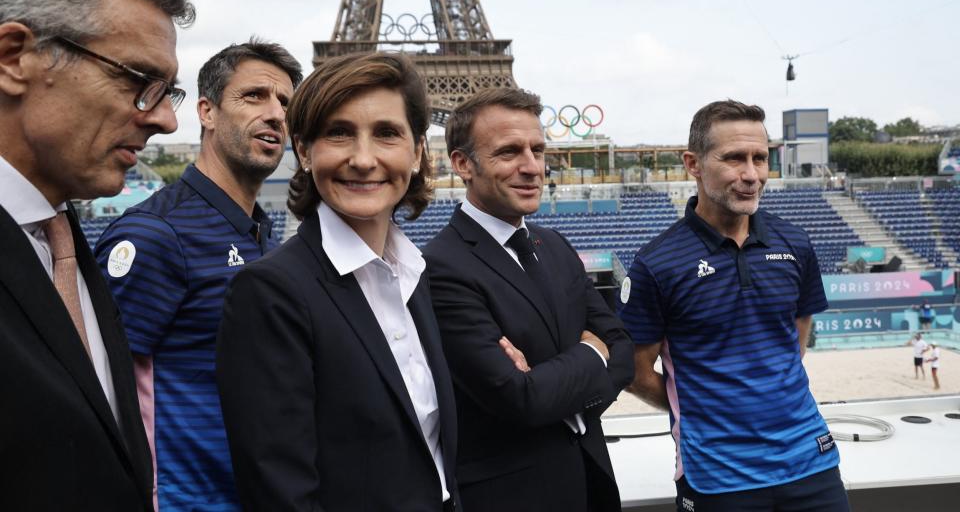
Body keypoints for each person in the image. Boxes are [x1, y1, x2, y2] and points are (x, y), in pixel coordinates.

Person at [0, 0, 193, 509]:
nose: (165, 119)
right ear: (15, 57)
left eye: (168, 92)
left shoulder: (65, 240)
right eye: (139, 79)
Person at [217, 52, 460, 511]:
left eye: (387, 133)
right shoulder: (270, 294)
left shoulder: (414, 276)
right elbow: (280, 494)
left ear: (418, 152)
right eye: (339, 133)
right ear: (305, 152)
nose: (363, 159)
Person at [94, 40, 302, 509]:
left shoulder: (258, 231)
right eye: (254, 96)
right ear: (206, 112)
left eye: (285, 103)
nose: (275, 114)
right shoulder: (156, 235)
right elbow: (100, 395)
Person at [620, 100, 849, 511]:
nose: (751, 175)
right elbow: (635, 373)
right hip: (717, 475)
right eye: (733, 159)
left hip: (811, 461)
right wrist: (697, 406)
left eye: (760, 159)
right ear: (693, 164)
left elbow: (794, 347)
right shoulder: (656, 263)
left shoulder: (795, 244)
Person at [423, 87, 633, 512]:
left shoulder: (553, 245)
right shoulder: (440, 267)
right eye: (509, 152)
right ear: (462, 164)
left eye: (537, 149)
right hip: (511, 497)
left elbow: (624, 352)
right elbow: (520, 399)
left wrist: (549, 384)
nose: (531, 167)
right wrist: (592, 353)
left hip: (591, 482)